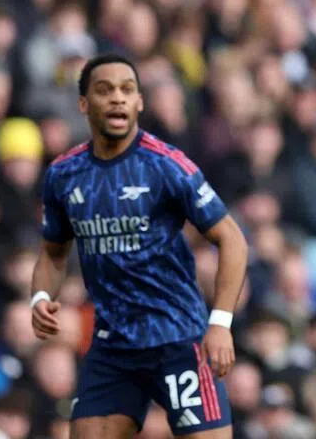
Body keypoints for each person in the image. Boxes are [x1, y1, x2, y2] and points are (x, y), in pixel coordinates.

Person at [28, 53, 250, 438]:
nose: (117, 98)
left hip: (179, 339)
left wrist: (220, 323)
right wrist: (40, 296)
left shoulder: (167, 165)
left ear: (140, 102)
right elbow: (53, 250)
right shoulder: (63, 175)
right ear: (83, 104)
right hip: (113, 345)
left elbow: (231, 237)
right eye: (105, 90)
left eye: (127, 90)